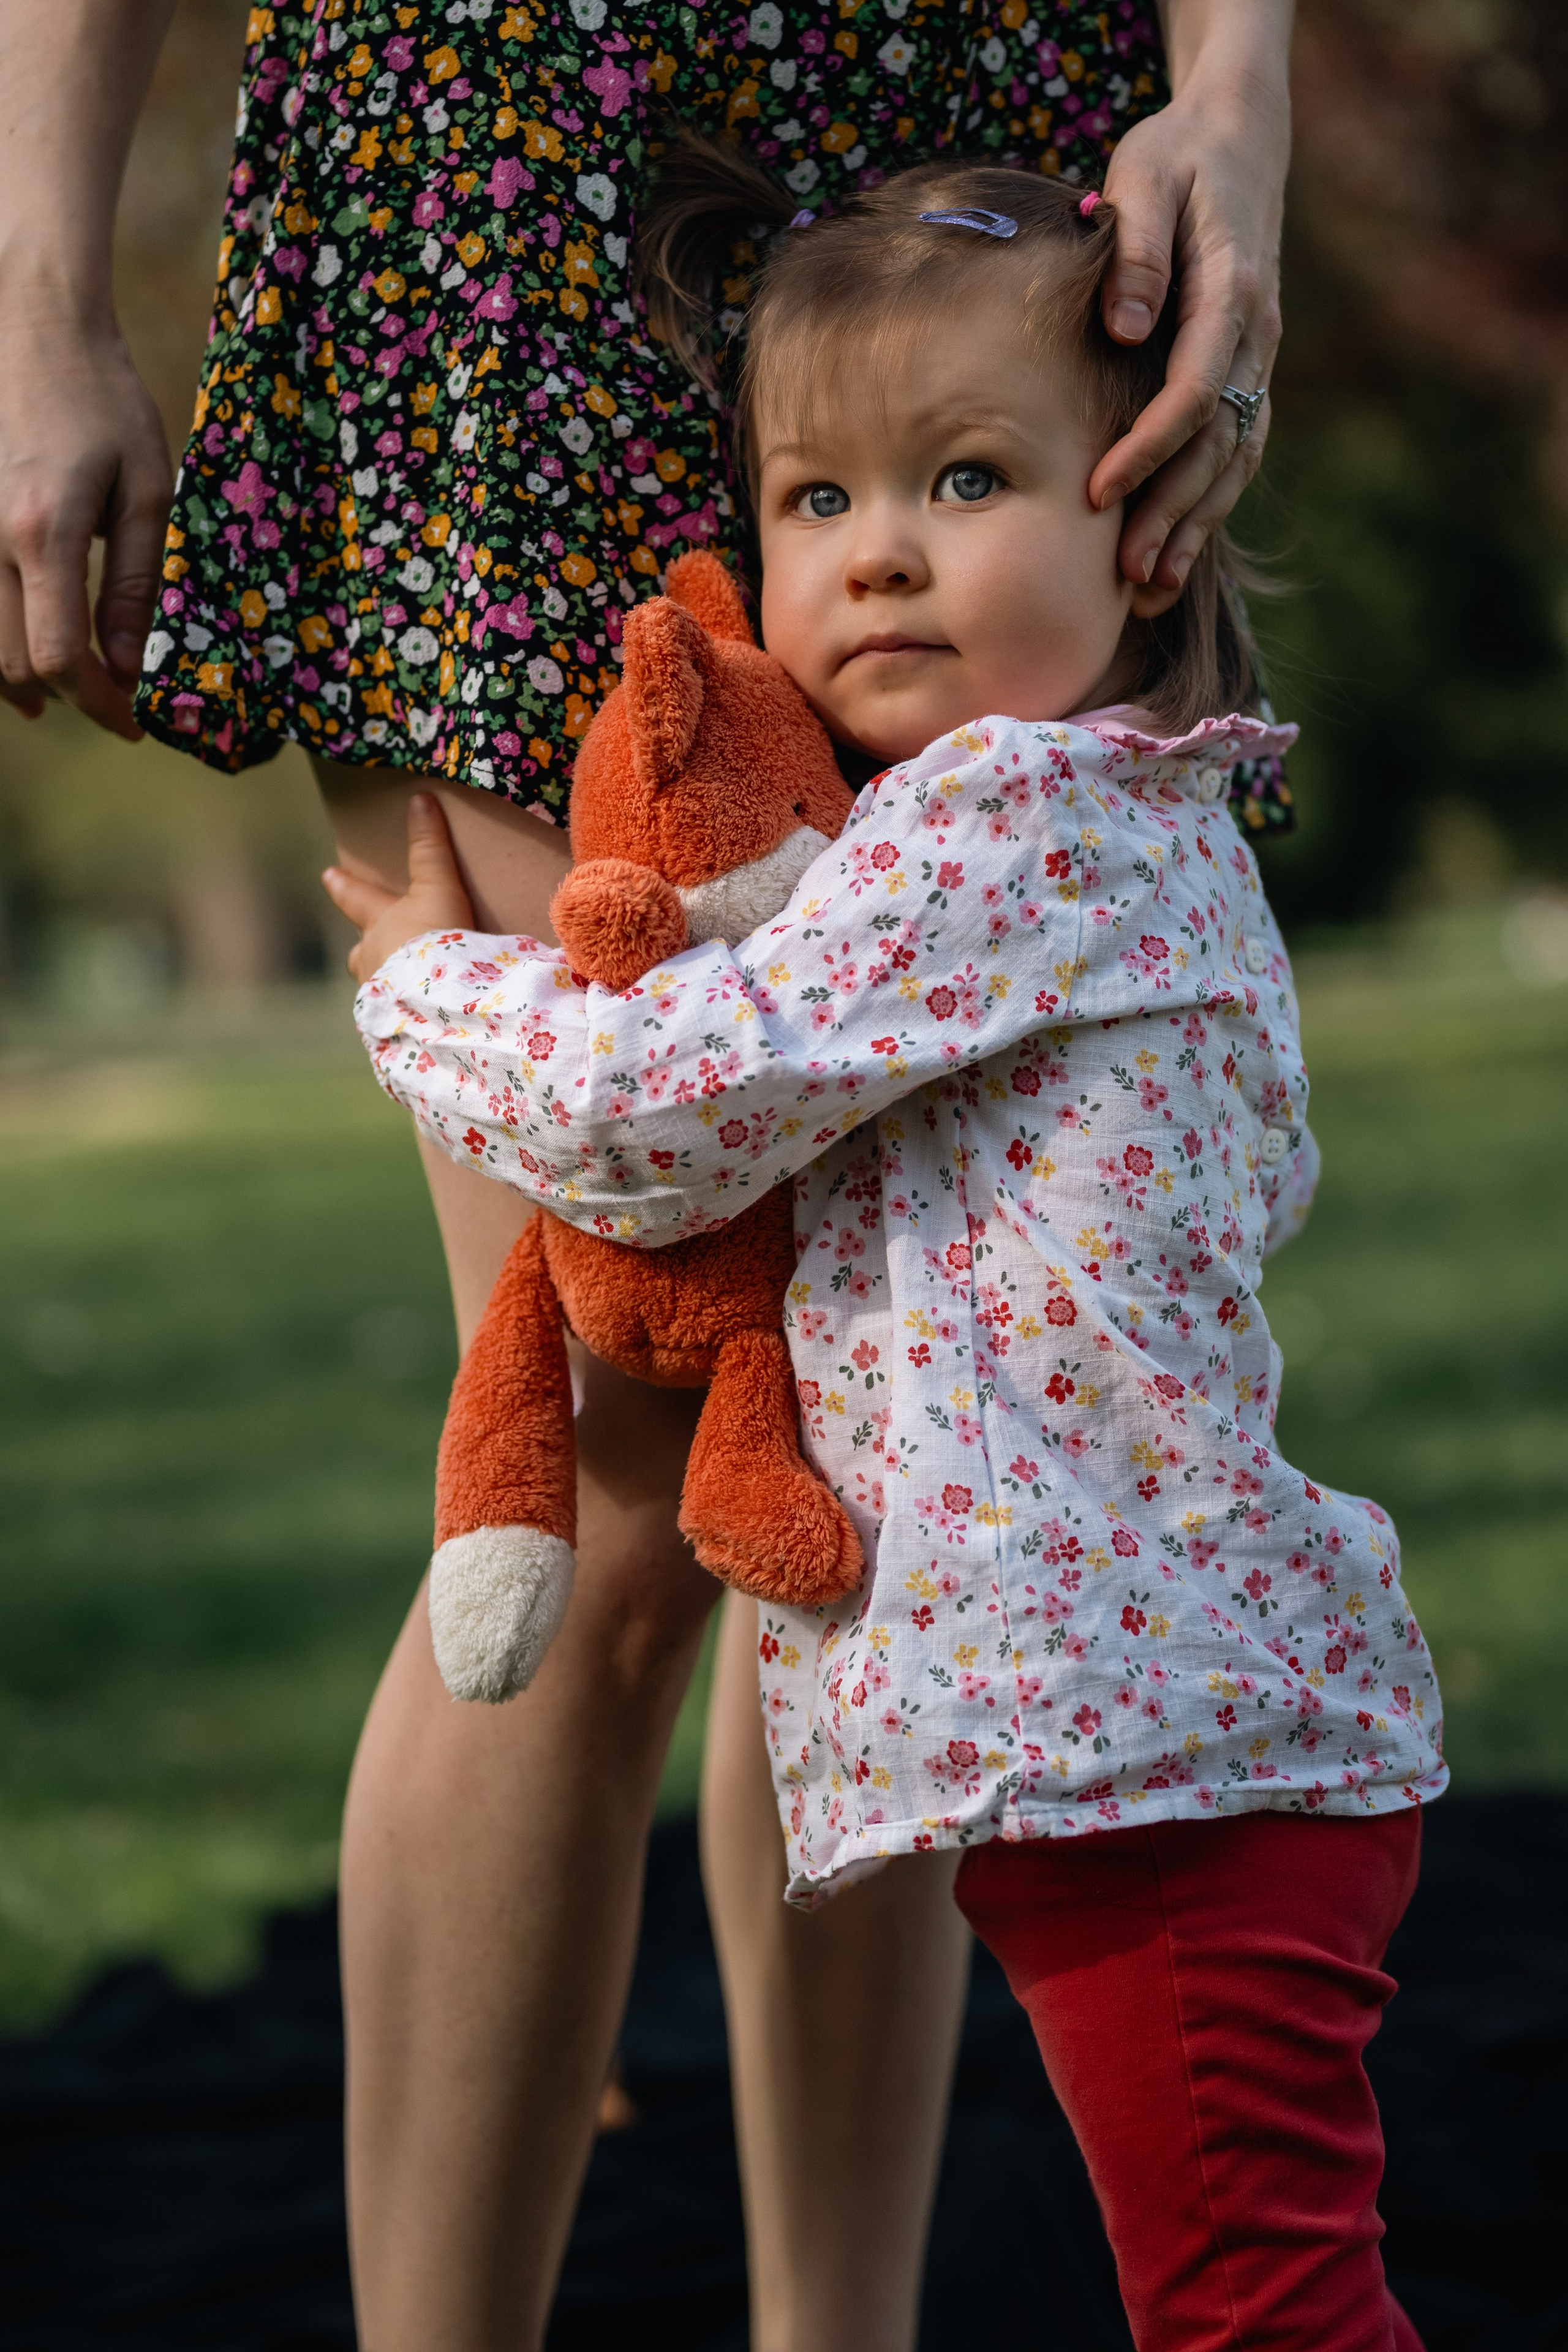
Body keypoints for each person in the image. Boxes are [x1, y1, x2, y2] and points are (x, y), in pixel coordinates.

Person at [0, 5, 1297, 2344]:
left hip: (970, 130)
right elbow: (652, 1093)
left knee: (883, 1437)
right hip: (497, 172)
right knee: (614, 1459)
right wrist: (42, 299)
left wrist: (1244, 85)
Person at [333, 157, 1444, 2352]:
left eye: (963, 476)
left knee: (1264, 2314)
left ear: (1151, 526)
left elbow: (666, 1111)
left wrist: (421, 982)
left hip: (1156, 1773)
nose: (882, 554)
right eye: (816, 503)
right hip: (1149, 1744)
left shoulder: (1018, 830)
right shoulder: (1077, 821)